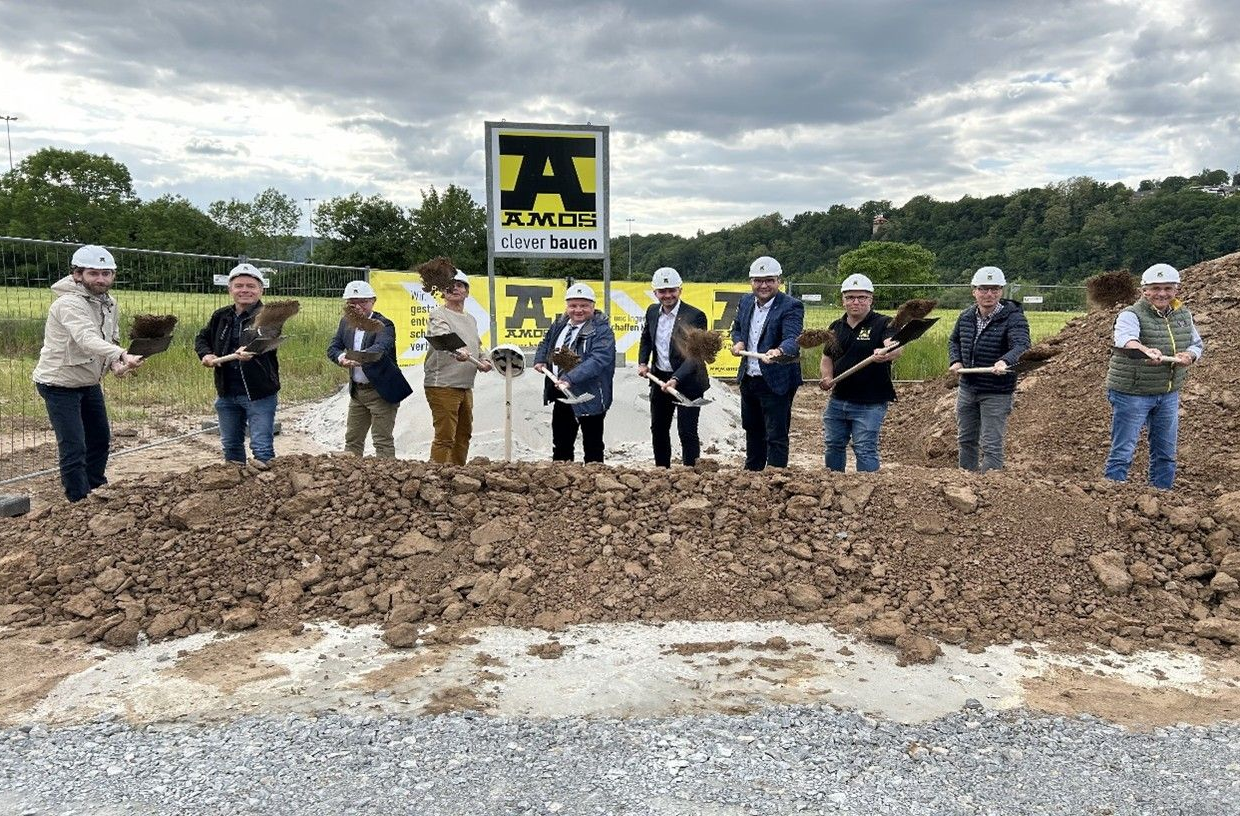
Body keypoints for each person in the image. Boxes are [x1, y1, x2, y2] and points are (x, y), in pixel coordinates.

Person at [32, 244, 143, 502]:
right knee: (74, 446)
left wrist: (119, 365)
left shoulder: (109, 303)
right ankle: (79, 502)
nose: (101, 279)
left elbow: (109, 341)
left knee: (100, 439)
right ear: (77, 274)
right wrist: (122, 353)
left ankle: (96, 488)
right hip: (58, 383)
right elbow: (86, 338)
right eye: (94, 273)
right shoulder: (68, 303)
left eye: (107, 273)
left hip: (88, 381)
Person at [1103, 263, 1203, 489]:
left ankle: (1161, 497)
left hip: (1167, 393)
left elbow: (1196, 344)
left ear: (1176, 289)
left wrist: (1190, 354)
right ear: (1144, 290)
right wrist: (1145, 350)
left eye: (1168, 288)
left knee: (1165, 452)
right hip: (1132, 392)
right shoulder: (1130, 314)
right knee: (1123, 451)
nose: (1162, 293)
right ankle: (1110, 496)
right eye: (1155, 288)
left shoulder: (1183, 315)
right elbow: (1125, 339)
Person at [195, 263, 281, 466]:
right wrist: (206, 354)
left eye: (251, 286)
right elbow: (202, 338)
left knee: (261, 447)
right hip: (227, 391)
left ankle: (265, 489)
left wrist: (252, 349)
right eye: (239, 285)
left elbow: (269, 337)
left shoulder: (269, 316)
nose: (245, 290)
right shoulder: (221, 316)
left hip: (259, 392)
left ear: (261, 290)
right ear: (230, 289)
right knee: (231, 445)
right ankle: (237, 489)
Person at [947, 266, 1031, 472]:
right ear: (973, 291)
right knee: (966, 439)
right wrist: (955, 361)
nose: (989, 294)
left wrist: (1005, 361)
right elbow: (954, 340)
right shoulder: (966, 316)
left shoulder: (1013, 317)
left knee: (991, 443)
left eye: (995, 289)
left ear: (1001, 291)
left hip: (997, 391)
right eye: (984, 289)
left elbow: (1021, 345)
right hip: (968, 388)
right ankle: (966, 481)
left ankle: (990, 488)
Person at [819, 274, 902, 472]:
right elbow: (827, 358)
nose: (855, 302)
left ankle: (868, 493)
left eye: (861, 297)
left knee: (865, 449)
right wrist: (827, 378)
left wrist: (887, 351)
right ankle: (833, 485)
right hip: (838, 400)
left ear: (871, 299)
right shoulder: (836, 327)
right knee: (833, 445)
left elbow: (896, 347)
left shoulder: (884, 323)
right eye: (850, 297)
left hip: (870, 403)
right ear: (843, 300)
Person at [730, 256, 804, 471]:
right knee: (752, 429)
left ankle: (775, 477)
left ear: (779, 280)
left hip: (776, 380)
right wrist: (739, 341)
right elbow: (737, 329)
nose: (763, 285)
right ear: (751, 281)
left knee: (776, 434)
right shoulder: (745, 302)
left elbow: (793, 338)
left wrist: (779, 351)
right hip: (750, 377)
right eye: (758, 281)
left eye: (769, 280)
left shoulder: (791, 306)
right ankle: (753, 474)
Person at [327, 279, 414, 458]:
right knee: (352, 440)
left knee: (382, 440)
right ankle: (352, 479)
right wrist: (342, 358)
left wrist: (360, 357)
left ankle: (387, 479)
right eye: (352, 303)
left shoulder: (384, 324)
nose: (357, 307)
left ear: (373, 301)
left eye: (363, 302)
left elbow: (382, 346)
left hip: (381, 391)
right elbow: (333, 347)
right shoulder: (346, 323)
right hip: (358, 393)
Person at [533, 283, 616, 463]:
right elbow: (546, 342)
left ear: (593, 306)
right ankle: (561, 479)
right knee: (561, 442)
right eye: (573, 305)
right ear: (567, 306)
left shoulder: (602, 331)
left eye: (584, 305)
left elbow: (598, 360)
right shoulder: (560, 324)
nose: (578, 310)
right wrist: (540, 359)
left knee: (592, 444)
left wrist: (570, 378)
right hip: (562, 393)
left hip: (590, 394)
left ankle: (595, 482)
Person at [637, 267, 710, 467]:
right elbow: (646, 338)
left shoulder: (695, 316)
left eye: (672, 290)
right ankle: (662, 470)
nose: (667, 295)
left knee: (687, 431)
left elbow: (695, 355)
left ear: (680, 290)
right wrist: (643, 362)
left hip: (688, 381)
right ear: (655, 293)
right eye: (662, 291)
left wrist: (676, 379)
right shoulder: (652, 312)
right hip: (660, 379)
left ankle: (690, 474)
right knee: (659, 428)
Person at [423, 270, 492, 464]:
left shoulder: (470, 319)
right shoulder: (438, 315)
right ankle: (435, 476)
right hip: (442, 384)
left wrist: (485, 359)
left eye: (460, 285)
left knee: (463, 435)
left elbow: (476, 345)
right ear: (443, 293)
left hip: (465, 385)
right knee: (445, 437)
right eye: (449, 285)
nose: (454, 288)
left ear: (467, 292)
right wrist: (457, 351)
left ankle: (458, 475)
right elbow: (443, 338)